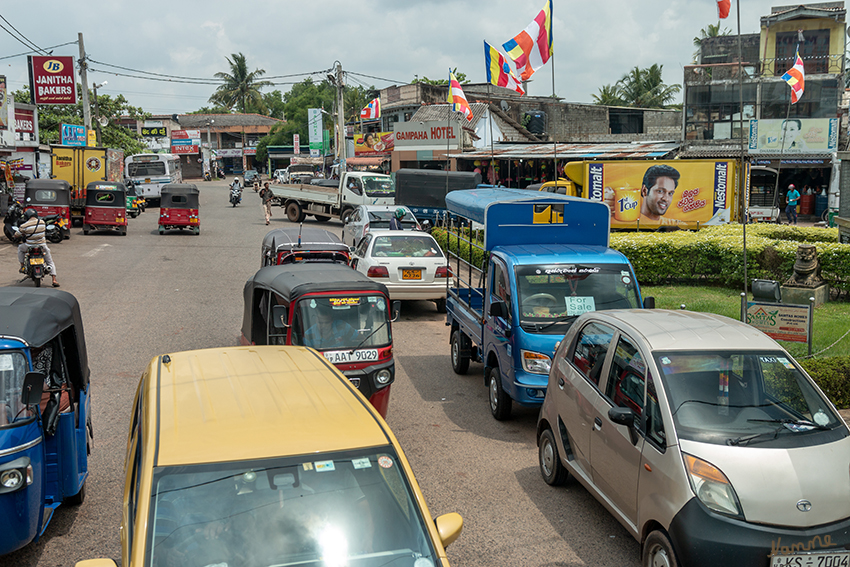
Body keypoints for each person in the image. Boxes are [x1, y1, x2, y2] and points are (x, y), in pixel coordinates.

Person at [15, 209, 59, 287]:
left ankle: (22, 266)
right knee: (50, 261)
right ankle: (54, 279)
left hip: (29, 247)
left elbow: (16, 235)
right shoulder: (42, 223)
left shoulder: (24, 225)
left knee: (20, 248)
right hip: (42, 246)